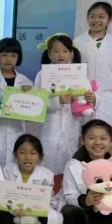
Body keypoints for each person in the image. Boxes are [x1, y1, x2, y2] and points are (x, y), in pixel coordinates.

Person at [0, 134, 63, 224]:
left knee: (54, 217)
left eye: (33, 153)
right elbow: (4, 195)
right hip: (13, 209)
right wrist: (12, 208)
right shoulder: (7, 170)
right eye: (22, 152)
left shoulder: (47, 175)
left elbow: (49, 199)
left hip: (38, 210)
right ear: (15, 155)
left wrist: (36, 208)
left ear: (40, 157)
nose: (27, 157)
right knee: (3, 214)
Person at [35, 34, 95, 175]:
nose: (60, 55)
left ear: (71, 53)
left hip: (71, 125)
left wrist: (90, 98)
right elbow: (37, 104)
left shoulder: (79, 75)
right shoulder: (42, 75)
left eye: (65, 51)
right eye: (56, 51)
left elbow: (86, 102)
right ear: (49, 54)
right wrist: (58, 101)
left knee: (70, 162)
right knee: (47, 161)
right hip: (49, 126)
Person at [0, 38, 33, 168]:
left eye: (13, 56)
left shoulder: (25, 81)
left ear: (18, 58)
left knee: (14, 171)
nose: (9, 59)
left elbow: (32, 108)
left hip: (16, 131)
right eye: (4, 55)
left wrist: (29, 93)